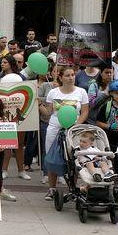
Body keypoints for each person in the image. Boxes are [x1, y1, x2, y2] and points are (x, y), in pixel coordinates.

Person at [42, 65, 90, 200]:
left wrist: (77, 125)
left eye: (73, 75)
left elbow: (85, 111)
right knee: (52, 158)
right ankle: (52, 189)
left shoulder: (81, 92)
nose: (71, 78)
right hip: (54, 127)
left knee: (73, 158)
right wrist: (38, 105)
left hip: (73, 129)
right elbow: (48, 112)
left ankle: (72, 189)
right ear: (61, 77)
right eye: (67, 75)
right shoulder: (53, 93)